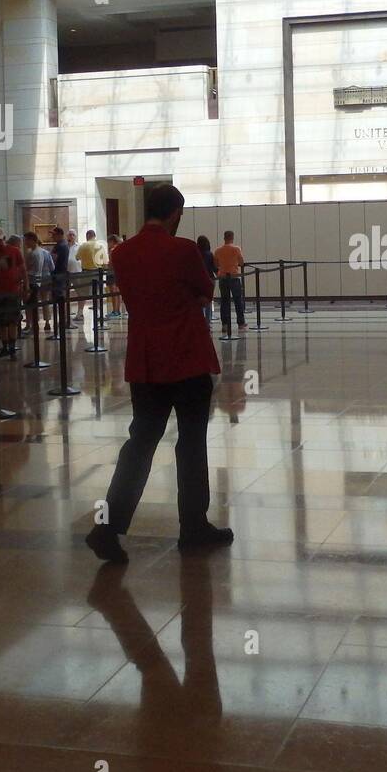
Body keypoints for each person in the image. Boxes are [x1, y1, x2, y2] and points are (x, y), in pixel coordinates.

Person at [89, 183, 229, 563]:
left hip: (147, 361)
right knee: (191, 442)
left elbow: (135, 298)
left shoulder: (122, 253)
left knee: (140, 444)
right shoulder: (183, 249)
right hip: (186, 358)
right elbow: (205, 292)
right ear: (175, 213)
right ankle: (193, 526)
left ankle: (109, 526)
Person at [0, 233, 27, 358]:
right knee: (1, 321)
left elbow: (23, 268)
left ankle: (12, 347)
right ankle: (4, 346)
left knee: (13, 320)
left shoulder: (14, 251)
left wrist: (26, 286)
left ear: (4, 239)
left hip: (13, 290)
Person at [213, 229, 246, 336]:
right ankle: (241, 323)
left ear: (224, 238)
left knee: (224, 301)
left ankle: (225, 324)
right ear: (232, 237)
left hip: (222, 277)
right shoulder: (236, 249)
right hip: (234, 276)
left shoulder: (218, 250)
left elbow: (216, 264)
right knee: (237, 300)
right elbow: (241, 262)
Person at [23, 231, 55, 334]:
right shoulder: (46, 253)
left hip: (34, 280)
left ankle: (30, 324)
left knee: (32, 302)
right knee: (45, 301)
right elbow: (52, 267)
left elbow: (27, 268)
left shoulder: (32, 253)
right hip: (46, 279)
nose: (25, 243)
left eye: (26, 240)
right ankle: (47, 322)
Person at [196, 234, 217, 327]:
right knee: (209, 300)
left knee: (199, 300)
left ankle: (200, 320)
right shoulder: (209, 254)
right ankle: (207, 321)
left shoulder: (196, 253)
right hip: (210, 278)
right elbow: (214, 267)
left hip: (198, 278)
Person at [106, 235, 124, 316]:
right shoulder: (120, 249)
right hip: (118, 272)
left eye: (109, 242)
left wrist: (107, 265)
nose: (108, 244)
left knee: (113, 292)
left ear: (112, 241)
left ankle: (115, 310)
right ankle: (117, 310)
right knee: (117, 292)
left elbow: (111, 263)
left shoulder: (113, 250)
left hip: (112, 272)